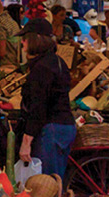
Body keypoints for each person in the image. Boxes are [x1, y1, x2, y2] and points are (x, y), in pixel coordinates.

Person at [18, 19, 77, 185]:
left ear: (35, 40)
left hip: (51, 130)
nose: (22, 42)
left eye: (25, 38)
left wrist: (26, 142)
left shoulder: (42, 68)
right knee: (56, 181)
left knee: (46, 185)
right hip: (65, 126)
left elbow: (38, 108)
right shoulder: (57, 62)